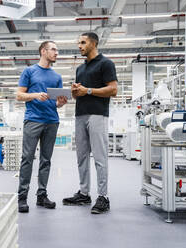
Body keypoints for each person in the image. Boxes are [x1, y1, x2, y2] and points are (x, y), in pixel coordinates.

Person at [62, 32, 118, 214]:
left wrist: (87, 91)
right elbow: (80, 93)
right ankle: (84, 193)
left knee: (100, 158)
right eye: (78, 42)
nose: (79, 46)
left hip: (97, 114)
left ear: (94, 44)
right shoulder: (80, 69)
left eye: (83, 42)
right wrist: (75, 92)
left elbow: (113, 90)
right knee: (81, 157)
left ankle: (103, 197)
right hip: (80, 115)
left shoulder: (106, 64)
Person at [16, 41, 67, 213]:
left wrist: (60, 103)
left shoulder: (57, 77)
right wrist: (35, 95)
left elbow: (57, 103)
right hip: (33, 120)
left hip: (52, 121)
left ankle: (41, 195)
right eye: (54, 49)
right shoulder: (29, 71)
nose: (57, 53)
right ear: (43, 51)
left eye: (57, 50)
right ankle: (22, 197)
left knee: (46, 160)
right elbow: (19, 95)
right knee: (27, 158)